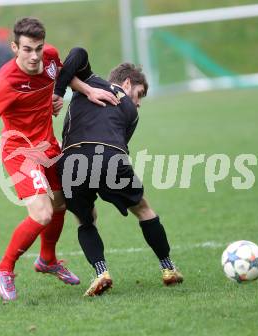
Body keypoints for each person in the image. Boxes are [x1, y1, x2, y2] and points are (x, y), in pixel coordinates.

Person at [0, 18, 118, 302]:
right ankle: (5, 268)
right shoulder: (5, 82)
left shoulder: (50, 57)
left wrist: (87, 90)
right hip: (19, 152)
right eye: (27, 49)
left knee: (60, 205)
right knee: (42, 213)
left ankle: (47, 260)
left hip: (48, 147)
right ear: (14, 47)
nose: (34, 56)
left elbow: (63, 76)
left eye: (38, 48)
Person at [54, 47, 184, 297]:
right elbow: (117, 144)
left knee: (85, 219)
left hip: (70, 162)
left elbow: (77, 54)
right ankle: (168, 268)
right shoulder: (130, 111)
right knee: (144, 209)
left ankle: (101, 272)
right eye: (139, 94)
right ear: (126, 83)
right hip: (109, 158)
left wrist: (62, 91)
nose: (138, 102)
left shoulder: (88, 81)